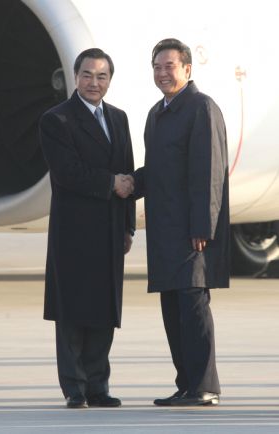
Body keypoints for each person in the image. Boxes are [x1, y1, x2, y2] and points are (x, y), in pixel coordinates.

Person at [130, 38, 230, 406]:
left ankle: (205, 387)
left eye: (169, 66)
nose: (162, 73)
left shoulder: (201, 108)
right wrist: (128, 186)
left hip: (192, 232)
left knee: (193, 305)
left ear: (187, 69)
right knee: (173, 308)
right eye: (156, 66)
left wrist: (203, 226)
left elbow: (210, 171)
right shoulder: (157, 114)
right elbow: (156, 171)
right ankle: (187, 384)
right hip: (163, 230)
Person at [39, 48, 135, 409]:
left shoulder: (119, 118)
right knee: (72, 312)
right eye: (87, 75)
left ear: (110, 80)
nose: (94, 83)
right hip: (74, 232)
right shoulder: (57, 120)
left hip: (110, 229)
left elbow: (127, 169)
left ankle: (99, 385)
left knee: (103, 311)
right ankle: (75, 388)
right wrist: (111, 184)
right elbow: (66, 173)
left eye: (102, 76)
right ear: (75, 77)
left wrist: (128, 226)